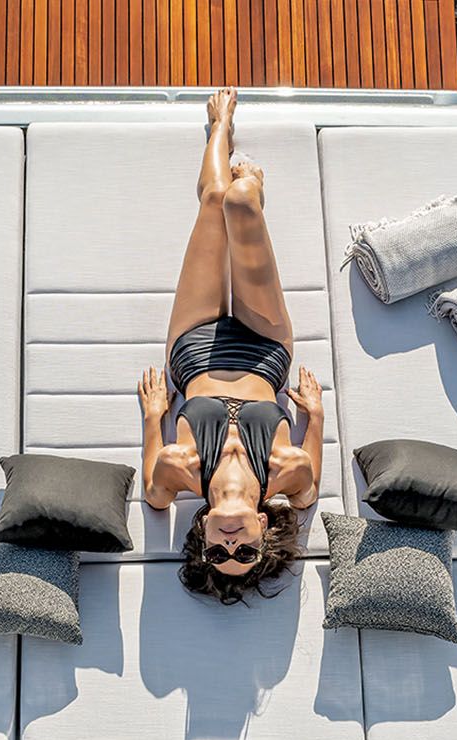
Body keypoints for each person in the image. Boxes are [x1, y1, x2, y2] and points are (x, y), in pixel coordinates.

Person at [138, 89, 326, 605]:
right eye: (247, 554)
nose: (231, 549)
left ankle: (220, 124)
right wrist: (316, 415)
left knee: (215, 202)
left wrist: (155, 414)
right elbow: (313, 479)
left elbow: (152, 485)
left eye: (217, 555)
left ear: (200, 534)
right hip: (265, 350)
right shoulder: (289, 470)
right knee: (241, 204)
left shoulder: (177, 471)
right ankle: (253, 195)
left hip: (193, 350)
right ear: (264, 528)